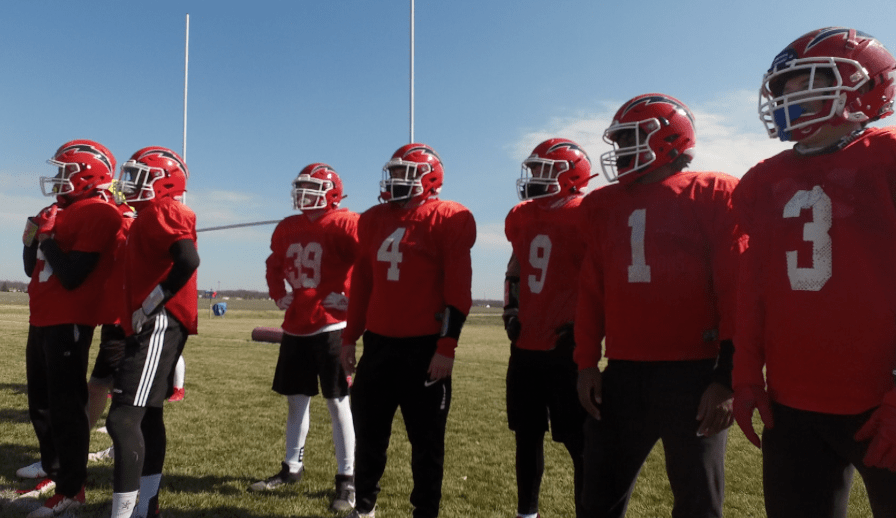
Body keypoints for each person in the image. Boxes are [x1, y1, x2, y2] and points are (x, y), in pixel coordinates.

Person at [732, 27, 896, 518]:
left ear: (864, 84)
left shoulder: (887, 155)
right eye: (782, 88)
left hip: (882, 394)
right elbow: (754, 287)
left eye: (804, 83)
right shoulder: (763, 179)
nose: (788, 98)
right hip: (792, 403)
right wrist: (746, 374)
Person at [575, 94, 742, 518]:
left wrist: (727, 378)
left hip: (695, 372)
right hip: (623, 372)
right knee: (597, 497)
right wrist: (586, 362)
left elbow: (736, 292)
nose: (621, 149)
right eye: (620, 140)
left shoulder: (712, 192)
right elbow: (592, 290)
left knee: (698, 501)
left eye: (630, 137)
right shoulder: (601, 205)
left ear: (669, 140)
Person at [340, 143, 476, 518]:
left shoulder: (449, 216)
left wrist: (447, 346)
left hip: (425, 348)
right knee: (370, 435)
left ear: (429, 177)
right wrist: (349, 337)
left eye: (405, 173)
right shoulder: (372, 219)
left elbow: (458, 292)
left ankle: (425, 512)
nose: (396, 180)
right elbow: (362, 284)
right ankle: (364, 506)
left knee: (427, 442)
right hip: (379, 346)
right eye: (394, 173)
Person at [22, 140, 123, 518]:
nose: (58, 178)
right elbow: (29, 266)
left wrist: (47, 240)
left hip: (70, 319)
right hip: (41, 317)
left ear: (86, 174)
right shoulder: (58, 210)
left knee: (66, 407)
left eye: (65, 171)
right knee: (41, 405)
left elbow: (73, 275)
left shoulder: (99, 211)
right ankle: (54, 473)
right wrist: (33, 236)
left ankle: (72, 489)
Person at [250, 163, 358, 512]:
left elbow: (369, 263)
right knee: (296, 401)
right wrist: (276, 292)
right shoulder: (287, 227)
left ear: (331, 192)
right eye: (300, 187)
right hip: (296, 324)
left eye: (311, 188)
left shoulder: (346, 222)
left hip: (331, 325)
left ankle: (347, 478)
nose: (302, 194)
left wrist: (352, 298)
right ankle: (291, 467)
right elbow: (273, 264)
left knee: (338, 402)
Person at [106, 147, 199, 518]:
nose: (129, 183)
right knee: (147, 417)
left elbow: (188, 260)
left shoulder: (165, 210)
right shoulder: (148, 214)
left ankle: (127, 512)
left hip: (159, 322)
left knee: (122, 419)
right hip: (155, 321)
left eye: (138, 177)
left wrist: (151, 304)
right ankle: (145, 506)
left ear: (163, 181)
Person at [503, 138, 592, 518]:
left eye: (544, 169)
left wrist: (585, 326)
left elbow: (600, 277)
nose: (536, 176)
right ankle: (527, 513)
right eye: (534, 169)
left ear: (571, 174)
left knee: (580, 443)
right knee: (526, 438)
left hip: (565, 348)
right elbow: (515, 267)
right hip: (526, 345)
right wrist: (511, 310)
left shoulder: (586, 212)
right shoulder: (522, 215)